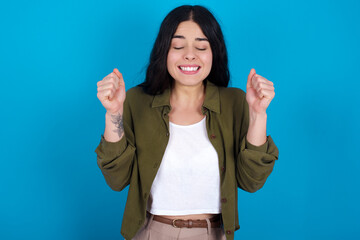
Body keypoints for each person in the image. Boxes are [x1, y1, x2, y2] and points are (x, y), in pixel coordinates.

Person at [95, 5, 279, 240]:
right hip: (152, 232)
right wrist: (113, 112)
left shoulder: (234, 102)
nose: (190, 55)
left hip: (212, 233)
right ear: (164, 51)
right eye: (178, 46)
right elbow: (117, 180)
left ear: (215, 52)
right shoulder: (135, 101)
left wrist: (258, 114)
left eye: (201, 46)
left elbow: (252, 181)